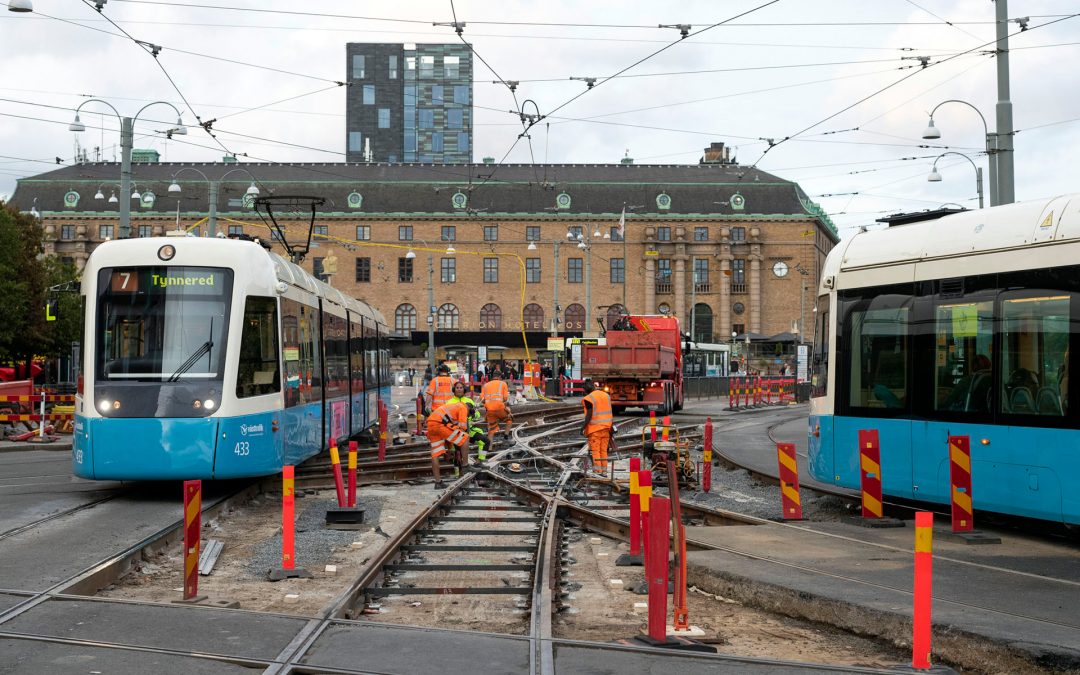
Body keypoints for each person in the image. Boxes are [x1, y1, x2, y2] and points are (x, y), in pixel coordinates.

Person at [426, 399, 474, 488]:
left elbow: (448, 432)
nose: (467, 416)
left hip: (431, 425)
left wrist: (449, 448)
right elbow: (463, 428)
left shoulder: (453, 407)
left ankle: (438, 482)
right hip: (439, 425)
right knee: (465, 437)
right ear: (469, 409)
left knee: (435, 454)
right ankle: (466, 465)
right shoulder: (463, 407)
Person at [448, 381, 491, 464]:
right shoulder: (449, 402)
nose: (459, 390)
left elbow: (477, 415)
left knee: (485, 441)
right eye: (457, 388)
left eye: (461, 388)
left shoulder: (469, 401)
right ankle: (458, 474)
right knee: (457, 453)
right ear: (454, 389)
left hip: (469, 430)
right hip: (455, 432)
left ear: (464, 389)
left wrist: (474, 413)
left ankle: (479, 461)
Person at [581, 380, 613, 473]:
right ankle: (604, 472)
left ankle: (598, 472)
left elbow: (589, 415)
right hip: (606, 428)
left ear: (586, 389)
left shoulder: (589, 398)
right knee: (603, 451)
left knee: (596, 452)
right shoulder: (606, 395)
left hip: (595, 430)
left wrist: (583, 427)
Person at [481, 369, 512, 442]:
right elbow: (505, 398)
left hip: (489, 410)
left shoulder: (485, 385)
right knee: (509, 420)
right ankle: (506, 436)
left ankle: (489, 448)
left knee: (491, 430)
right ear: (500, 377)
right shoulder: (503, 383)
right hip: (500, 408)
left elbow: (483, 400)